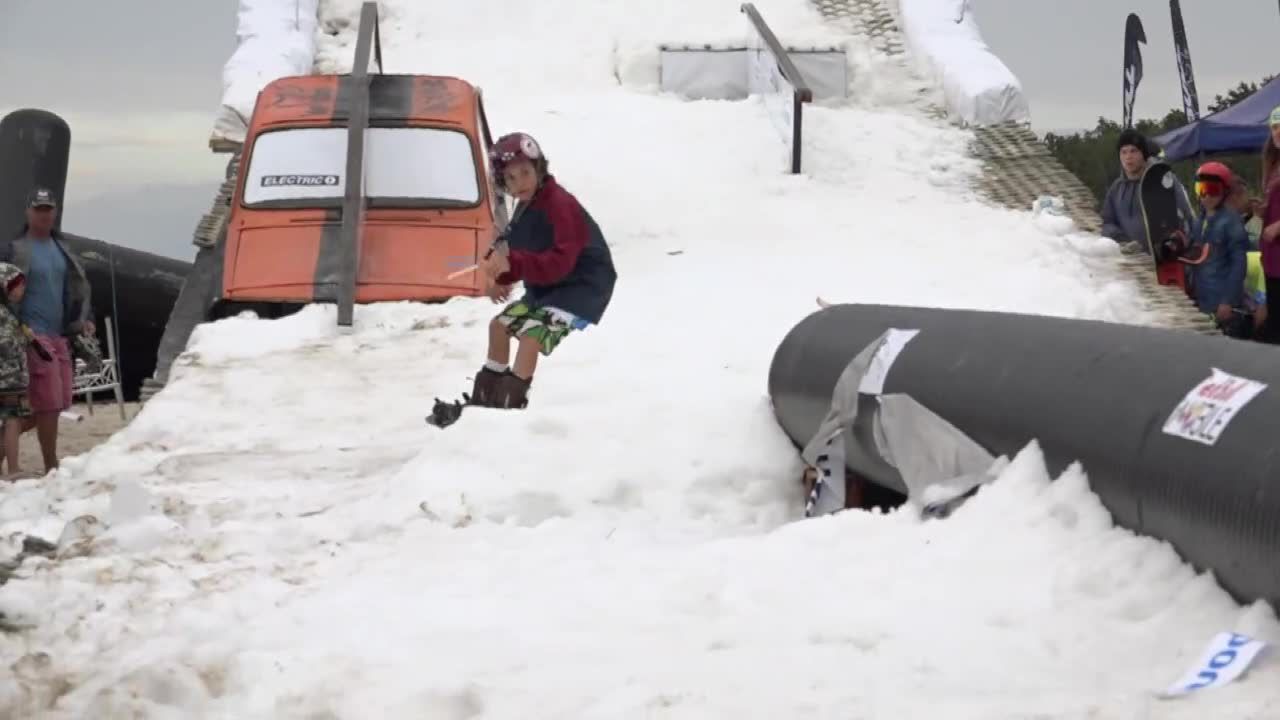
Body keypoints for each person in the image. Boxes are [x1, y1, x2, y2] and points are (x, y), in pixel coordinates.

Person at [465, 132, 616, 410]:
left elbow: (561, 262)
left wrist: (513, 266)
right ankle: (486, 399)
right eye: (509, 179)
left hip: (580, 288)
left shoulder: (560, 205)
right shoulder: (525, 207)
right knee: (498, 327)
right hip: (548, 287)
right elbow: (522, 255)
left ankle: (511, 402)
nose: (518, 183)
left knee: (531, 336)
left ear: (539, 169)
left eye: (524, 173)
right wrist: (500, 277)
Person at [0, 188, 95, 472]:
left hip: (59, 333)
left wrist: (85, 317)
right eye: (38, 209)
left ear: (54, 212)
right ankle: (50, 464)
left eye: (48, 209)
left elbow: (78, 288)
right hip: (32, 334)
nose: (44, 215)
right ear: (28, 212)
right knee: (49, 403)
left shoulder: (62, 249)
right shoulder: (13, 250)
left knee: (57, 401)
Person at [1100, 129, 1194, 255]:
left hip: (1167, 259)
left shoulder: (1164, 180)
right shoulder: (1117, 188)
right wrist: (1121, 240)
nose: (1128, 157)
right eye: (1124, 152)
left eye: (1134, 151)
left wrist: (1179, 242)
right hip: (1134, 261)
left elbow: (1186, 216)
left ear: (1143, 154)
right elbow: (1108, 222)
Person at [1188, 162, 1250, 338]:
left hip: (1221, 301)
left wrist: (1227, 301)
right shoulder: (1198, 221)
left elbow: (1239, 265)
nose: (1206, 195)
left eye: (1212, 189)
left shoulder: (1231, 222)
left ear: (1225, 192)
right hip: (1200, 299)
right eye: (1200, 189)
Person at [1257, 106, 1280, 343]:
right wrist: (1262, 211)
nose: (1279, 132)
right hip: (1272, 256)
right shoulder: (1272, 166)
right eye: (1275, 127)